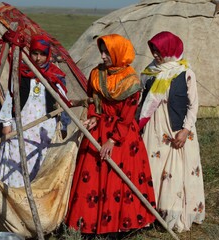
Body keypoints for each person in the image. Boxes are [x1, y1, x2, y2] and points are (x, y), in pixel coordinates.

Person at [66, 34, 156, 236]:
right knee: (91, 174)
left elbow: (127, 116)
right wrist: (93, 117)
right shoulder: (96, 74)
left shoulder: (131, 81)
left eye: (107, 52)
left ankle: (120, 224)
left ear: (118, 53)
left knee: (118, 179)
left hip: (122, 136)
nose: (104, 56)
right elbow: (94, 101)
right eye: (102, 52)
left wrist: (113, 140)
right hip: (99, 130)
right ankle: (87, 223)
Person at [138, 31, 205, 232]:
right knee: (154, 169)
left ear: (169, 49)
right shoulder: (150, 72)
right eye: (153, 50)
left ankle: (174, 215)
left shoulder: (185, 73)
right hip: (154, 129)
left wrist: (185, 131)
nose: (155, 54)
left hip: (177, 129)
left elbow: (193, 105)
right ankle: (154, 213)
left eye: (159, 50)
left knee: (176, 172)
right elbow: (142, 100)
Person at [0, 35, 70, 188]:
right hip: (21, 125)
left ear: (48, 54)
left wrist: (64, 125)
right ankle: (13, 197)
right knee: (16, 160)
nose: (38, 58)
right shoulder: (21, 72)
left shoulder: (55, 75)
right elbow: (11, 97)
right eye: (35, 53)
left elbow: (64, 102)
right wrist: (6, 122)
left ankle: (33, 202)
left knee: (39, 162)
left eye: (42, 54)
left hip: (44, 127)